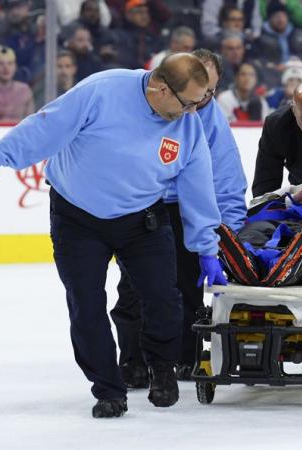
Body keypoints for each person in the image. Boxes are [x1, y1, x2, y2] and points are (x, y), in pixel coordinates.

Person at [0, 53, 226, 418]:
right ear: (161, 88)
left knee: (164, 298)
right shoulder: (102, 92)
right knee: (86, 306)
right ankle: (108, 389)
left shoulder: (187, 125)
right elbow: (44, 127)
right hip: (77, 219)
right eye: (189, 102)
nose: (194, 111)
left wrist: (206, 247)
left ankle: (162, 368)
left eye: (200, 102)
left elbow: (198, 189)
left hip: (142, 219)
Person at [111, 49, 248, 386]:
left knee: (185, 289)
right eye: (198, 88)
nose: (201, 99)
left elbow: (227, 180)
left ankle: (183, 358)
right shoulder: (143, 105)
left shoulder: (212, 121)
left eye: (210, 92)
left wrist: (230, 235)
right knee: (132, 289)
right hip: (143, 204)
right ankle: (132, 361)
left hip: (189, 210)